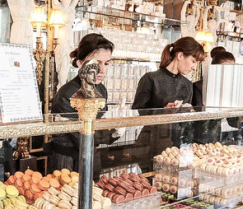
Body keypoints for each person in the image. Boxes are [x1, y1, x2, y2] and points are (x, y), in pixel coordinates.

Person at [50, 33, 118, 172]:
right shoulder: (68, 94)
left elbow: (98, 126)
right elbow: (82, 136)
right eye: (97, 63)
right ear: (80, 63)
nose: (103, 70)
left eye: (106, 63)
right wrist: (113, 133)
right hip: (67, 161)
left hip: (92, 154)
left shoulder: (101, 89)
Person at [132, 36, 206, 158]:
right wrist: (162, 111)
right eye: (193, 61)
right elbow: (136, 112)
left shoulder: (187, 85)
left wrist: (189, 112)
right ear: (180, 56)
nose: (194, 67)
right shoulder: (151, 79)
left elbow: (186, 124)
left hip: (178, 146)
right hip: (150, 144)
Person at [192, 48, 237, 144]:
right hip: (194, 139)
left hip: (216, 140)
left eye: (232, 69)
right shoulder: (198, 86)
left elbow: (232, 121)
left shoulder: (229, 89)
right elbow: (198, 116)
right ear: (214, 69)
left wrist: (242, 117)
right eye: (224, 69)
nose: (228, 73)